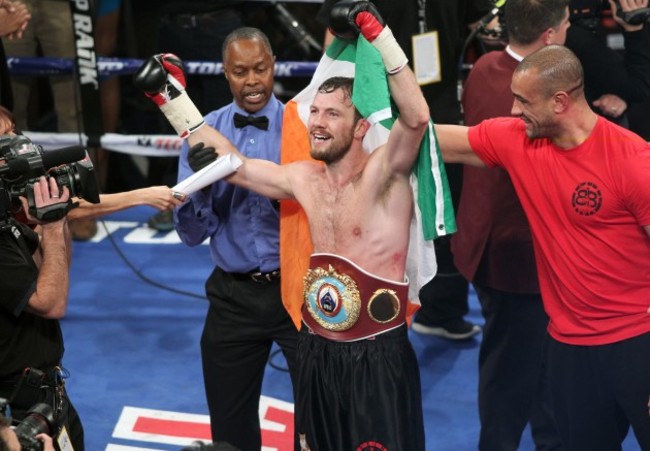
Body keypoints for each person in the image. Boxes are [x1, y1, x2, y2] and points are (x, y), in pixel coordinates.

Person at [136, 2, 429, 449]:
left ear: (361, 125)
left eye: (332, 114)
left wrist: (379, 35)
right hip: (317, 342)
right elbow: (232, 165)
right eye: (316, 112)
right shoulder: (303, 178)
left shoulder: (384, 171)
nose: (317, 122)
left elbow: (417, 118)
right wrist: (170, 100)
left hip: (375, 347)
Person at [436, 44, 650, 450]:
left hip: (637, 343)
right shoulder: (519, 141)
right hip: (569, 350)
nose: (515, 111)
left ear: (560, 101)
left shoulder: (633, 161)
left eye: (522, 101)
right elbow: (434, 139)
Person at [316, 0, 492, 340]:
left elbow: (476, 20)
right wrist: (335, 104)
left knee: (441, 204)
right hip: (377, 102)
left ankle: (441, 309)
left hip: (437, 97)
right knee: (373, 209)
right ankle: (361, 311)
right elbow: (334, 32)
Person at [171, 28, 299, 451]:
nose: (252, 81)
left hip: (300, 288)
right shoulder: (202, 132)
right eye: (240, 71)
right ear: (225, 74)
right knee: (229, 432)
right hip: (233, 297)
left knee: (321, 418)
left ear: (274, 65)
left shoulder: (303, 126)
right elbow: (190, 234)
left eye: (260, 69)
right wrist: (202, 184)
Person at [453, 0, 572, 449]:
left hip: (486, 247)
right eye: (564, 26)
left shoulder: (483, 67)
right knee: (516, 374)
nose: (567, 34)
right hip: (521, 257)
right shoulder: (544, 96)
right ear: (548, 36)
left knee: (528, 364)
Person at [146, 0, 245, 232]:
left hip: (220, 24)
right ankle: (179, 201)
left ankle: (231, 199)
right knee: (174, 116)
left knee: (223, 116)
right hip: (172, 29)